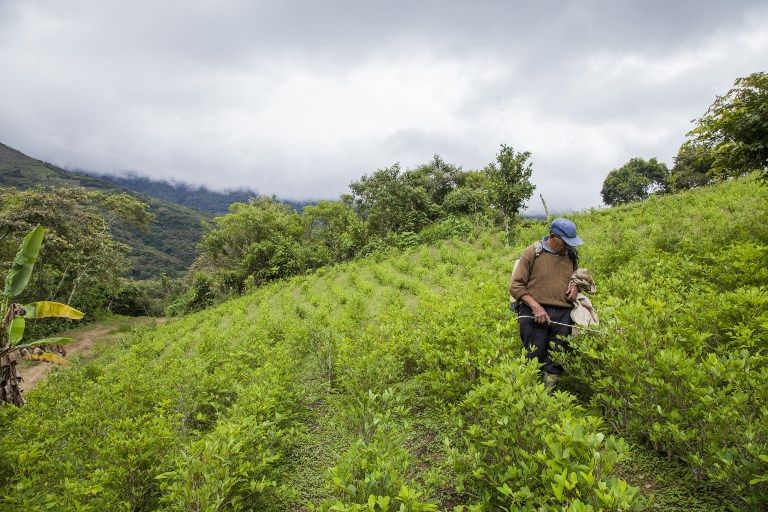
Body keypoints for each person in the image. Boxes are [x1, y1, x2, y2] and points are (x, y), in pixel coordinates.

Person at [509, 218, 583, 388]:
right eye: (565, 242)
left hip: (563, 314)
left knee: (557, 359)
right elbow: (515, 285)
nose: (568, 246)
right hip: (533, 313)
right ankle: (529, 397)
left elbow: (574, 278)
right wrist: (536, 307)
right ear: (552, 237)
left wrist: (575, 286)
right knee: (534, 357)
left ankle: (548, 398)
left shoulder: (570, 255)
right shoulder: (532, 252)